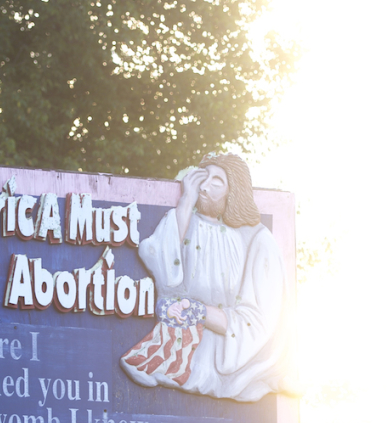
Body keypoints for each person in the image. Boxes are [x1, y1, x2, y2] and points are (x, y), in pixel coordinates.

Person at [120, 153, 291, 402]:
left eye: (217, 181)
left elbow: (258, 320)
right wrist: (185, 202)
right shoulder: (181, 221)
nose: (204, 185)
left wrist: (199, 311)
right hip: (183, 345)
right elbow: (160, 261)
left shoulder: (250, 240)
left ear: (233, 192)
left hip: (227, 356)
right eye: (202, 177)